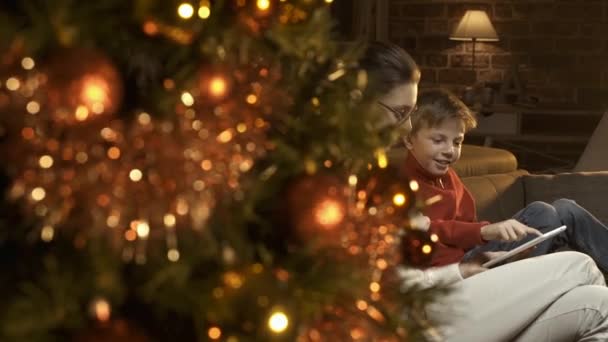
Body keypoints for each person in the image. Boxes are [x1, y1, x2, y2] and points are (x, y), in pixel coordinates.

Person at [360, 43, 608, 341]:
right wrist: (479, 241)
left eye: (410, 114)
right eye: (400, 113)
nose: (405, 128)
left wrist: (470, 264)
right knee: (578, 264)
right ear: (356, 100)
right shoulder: (351, 184)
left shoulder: (387, 180)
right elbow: (405, 271)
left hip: (457, 277)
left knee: (598, 300)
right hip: (422, 312)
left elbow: (420, 246)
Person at [402, 88, 608, 274]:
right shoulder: (402, 186)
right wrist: (483, 234)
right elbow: (430, 231)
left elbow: (467, 229)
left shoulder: (448, 177)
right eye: (438, 140)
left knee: (556, 209)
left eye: (457, 142)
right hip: (457, 272)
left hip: (478, 257)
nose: (449, 150)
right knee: (550, 213)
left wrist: (495, 244)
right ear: (409, 140)